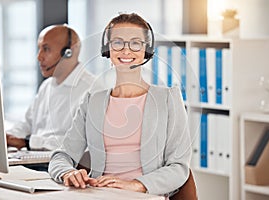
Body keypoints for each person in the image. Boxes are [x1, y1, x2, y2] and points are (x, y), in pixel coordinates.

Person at [48, 13, 191, 199]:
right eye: (118, 42)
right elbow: (62, 155)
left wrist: (137, 185)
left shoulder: (168, 99)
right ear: (107, 49)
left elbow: (179, 167)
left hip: (145, 195)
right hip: (98, 194)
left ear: (146, 49)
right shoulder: (92, 101)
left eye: (135, 43)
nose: (126, 50)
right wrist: (67, 172)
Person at [6, 24, 96, 151]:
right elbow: (26, 124)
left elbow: (80, 144)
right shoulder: (47, 86)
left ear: (69, 52)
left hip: (62, 166)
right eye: (39, 49)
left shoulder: (92, 90)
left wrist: (27, 142)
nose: (39, 57)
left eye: (46, 49)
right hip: (35, 161)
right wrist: (6, 137)